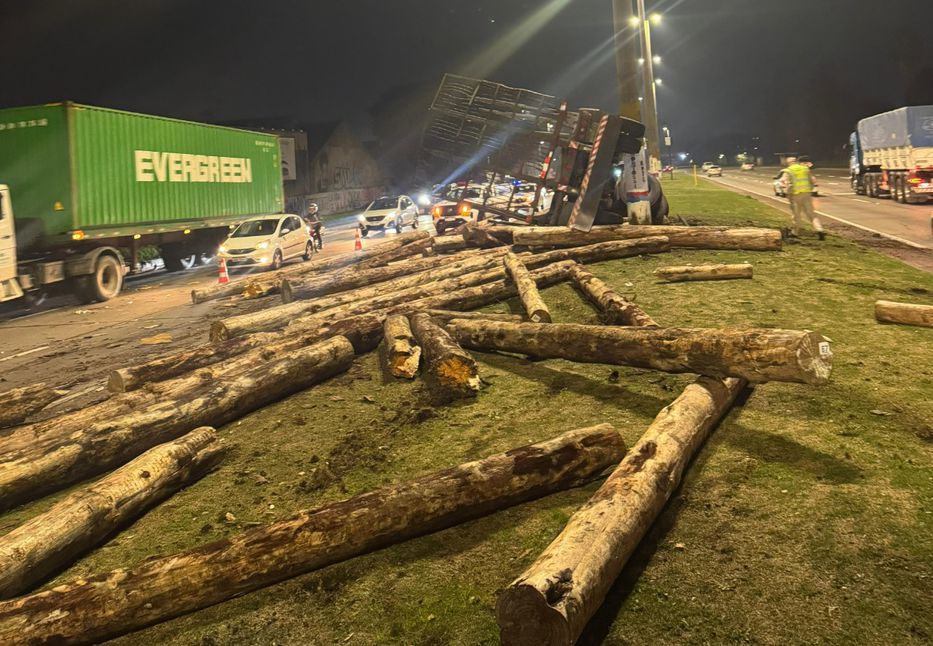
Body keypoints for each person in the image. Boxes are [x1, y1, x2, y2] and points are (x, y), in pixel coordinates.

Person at [780, 156, 825, 240]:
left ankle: (795, 232)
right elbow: (812, 181)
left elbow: (786, 184)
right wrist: (809, 190)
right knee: (811, 213)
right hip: (806, 194)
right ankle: (820, 230)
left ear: (788, 163)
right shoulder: (805, 169)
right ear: (796, 161)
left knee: (796, 215)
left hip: (795, 195)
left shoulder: (788, 171)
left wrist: (788, 194)